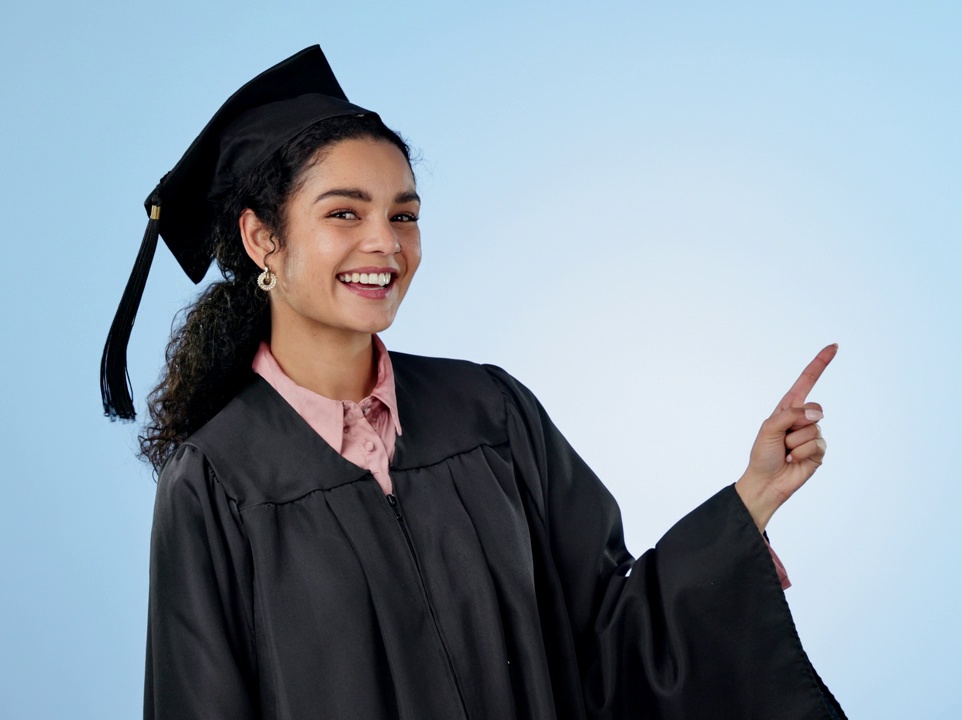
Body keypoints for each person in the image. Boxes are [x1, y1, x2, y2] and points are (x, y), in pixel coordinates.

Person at [103, 46, 846, 720]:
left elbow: (613, 640)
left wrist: (751, 500)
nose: (384, 244)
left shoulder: (490, 413)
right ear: (263, 238)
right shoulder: (217, 480)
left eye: (405, 214)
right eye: (343, 213)